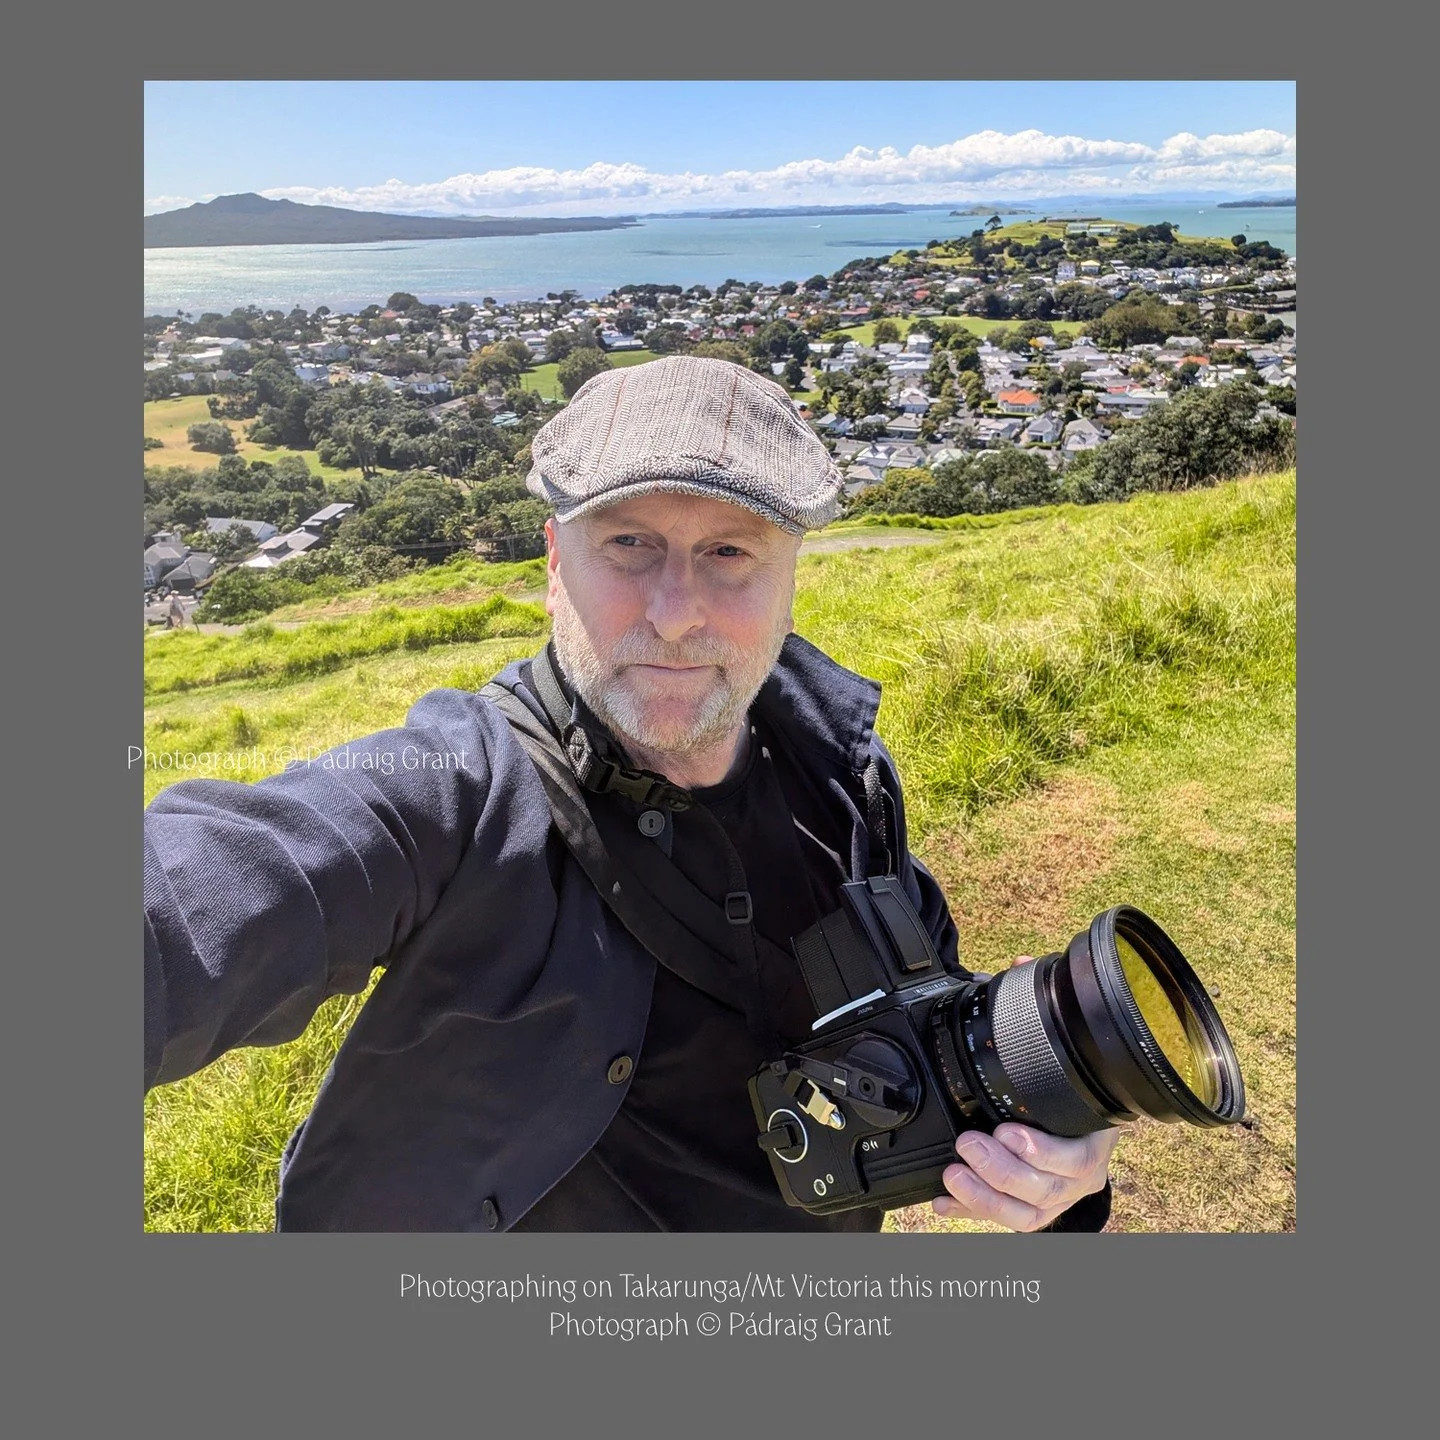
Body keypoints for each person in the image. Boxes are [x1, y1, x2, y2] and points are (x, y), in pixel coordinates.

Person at [144, 356, 1116, 1233]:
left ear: (791, 580)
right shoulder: (460, 790)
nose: (676, 614)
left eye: (729, 553)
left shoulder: (846, 788)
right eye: (628, 545)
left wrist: (1053, 1167)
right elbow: (215, 888)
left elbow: (930, 1043)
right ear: (554, 562)